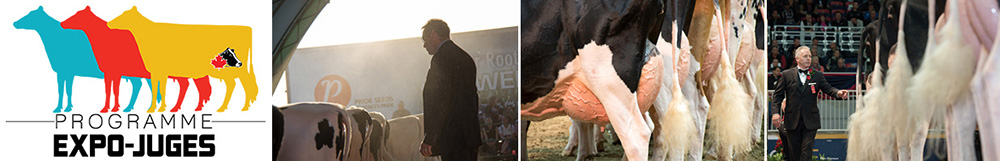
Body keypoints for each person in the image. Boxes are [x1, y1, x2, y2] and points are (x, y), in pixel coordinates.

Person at [418, 19, 482, 161]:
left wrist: (430, 137)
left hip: (452, 138)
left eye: (425, 39)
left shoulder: (440, 59)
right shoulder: (466, 58)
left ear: (434, 34)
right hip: (469, 136)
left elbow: (440, 100)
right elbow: (473, 98)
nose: (424, 45)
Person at [771, 46, 849, 161]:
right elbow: (777, 95)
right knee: (795, 154)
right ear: (797, 58)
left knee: (806, 151)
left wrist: (838, 93)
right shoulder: (787, 75)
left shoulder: (817, 75)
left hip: (810, 121)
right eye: (805, 56)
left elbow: (828, 89)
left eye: (810, 56)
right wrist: (775, 113)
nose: (808, 59)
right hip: (792, 120)